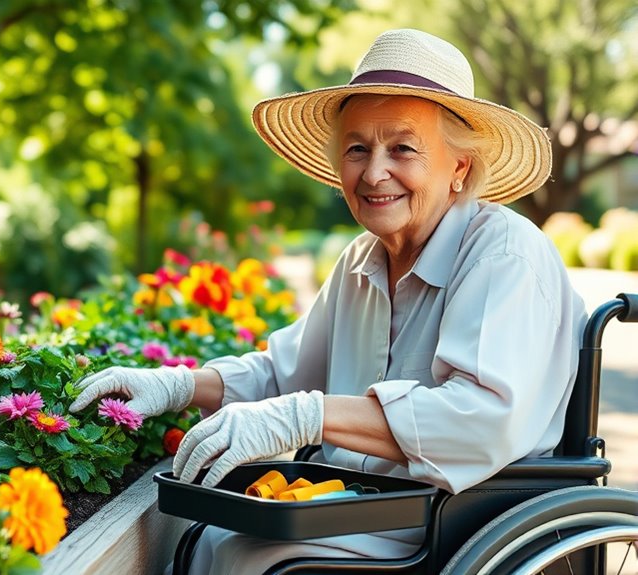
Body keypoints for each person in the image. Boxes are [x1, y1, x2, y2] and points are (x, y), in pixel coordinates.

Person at [69, 28, 588, 573]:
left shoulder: (503, 254)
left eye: (403, 148)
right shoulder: (362, 260)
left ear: (459, 167)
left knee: (245, 561)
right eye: (357, 148)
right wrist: (174, 383)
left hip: (454, 522)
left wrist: (307, 416)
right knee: (209, 541)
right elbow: (284, 375)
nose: (374, 172)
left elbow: (480, 420)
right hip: (357, 506)